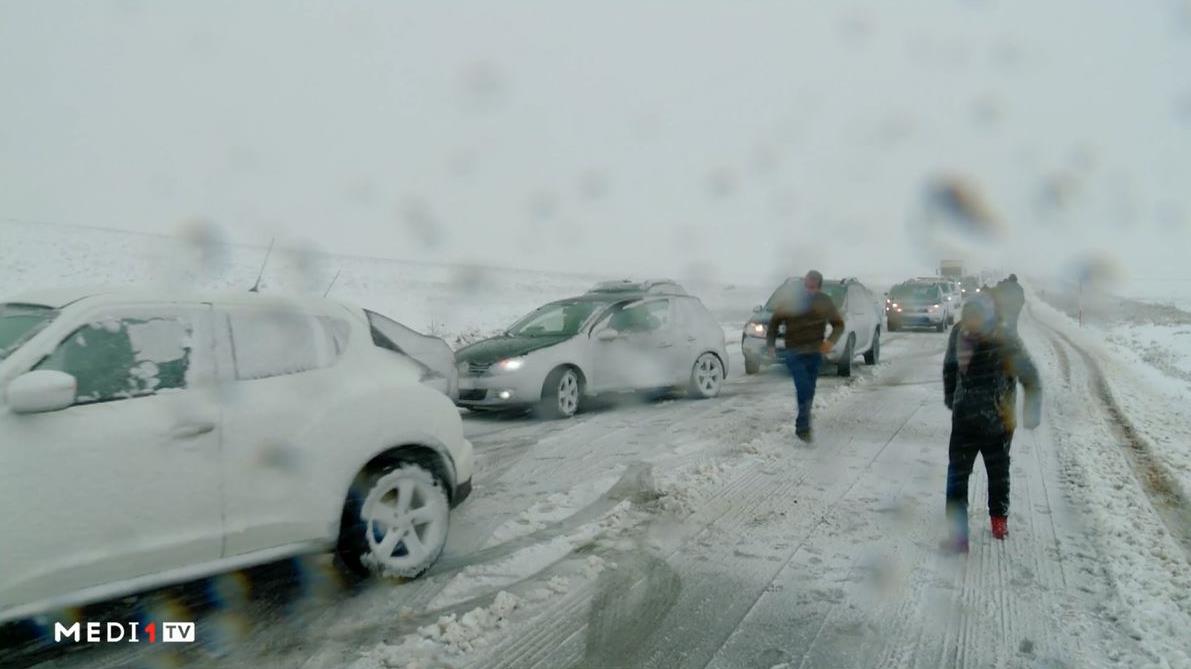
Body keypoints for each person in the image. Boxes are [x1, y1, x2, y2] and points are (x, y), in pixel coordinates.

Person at [941, 297, 1041, 553]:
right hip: (969, 418)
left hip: (997, 420)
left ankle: (999, 521)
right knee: (959, 475)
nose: (972, 323)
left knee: (997, 472)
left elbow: (1029, 375)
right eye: (969, 318)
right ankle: (958, 536)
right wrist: (953, 398)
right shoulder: (961, 333)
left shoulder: (1004, 338)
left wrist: (1032, 411)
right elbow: (950, 368)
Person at [766, 270, 845, 442]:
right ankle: (803, 428)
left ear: (819, 288)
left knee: (810, 390)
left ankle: (802, 423)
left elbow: (839, 325)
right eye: (807, 286)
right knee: (803, 387)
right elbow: (774, 322)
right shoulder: (792, 301)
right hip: (794, 351)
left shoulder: (824, 301)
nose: (809, 290)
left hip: (815, 352)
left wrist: (830, 342)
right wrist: (771, 344)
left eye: (813, 287)